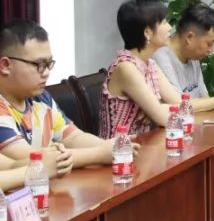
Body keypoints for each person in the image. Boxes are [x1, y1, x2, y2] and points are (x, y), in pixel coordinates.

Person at [0, 19, 125, 169]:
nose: (46, 73)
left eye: (49, 64)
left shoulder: (41, 98)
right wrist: (100, 153)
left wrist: (115, 148)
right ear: (5, 65)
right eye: (39, 65)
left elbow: (73, 137)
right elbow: (32, 159)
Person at [101, 0, 197, 138]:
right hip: (121, 149)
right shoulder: (126, 67)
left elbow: (180, 103)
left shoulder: (150, 64)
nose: (170, 27)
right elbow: (163, 118)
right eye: (164, 22)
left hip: (146, 143)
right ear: (147, 32)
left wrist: (163, 108)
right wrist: (164, 109)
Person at [152, 3, 214, 112]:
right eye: (209, 43)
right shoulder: (161, 56)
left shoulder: (192, 56)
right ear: (190, 37)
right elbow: (179, 105)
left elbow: (204, 98)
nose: (211, 50)